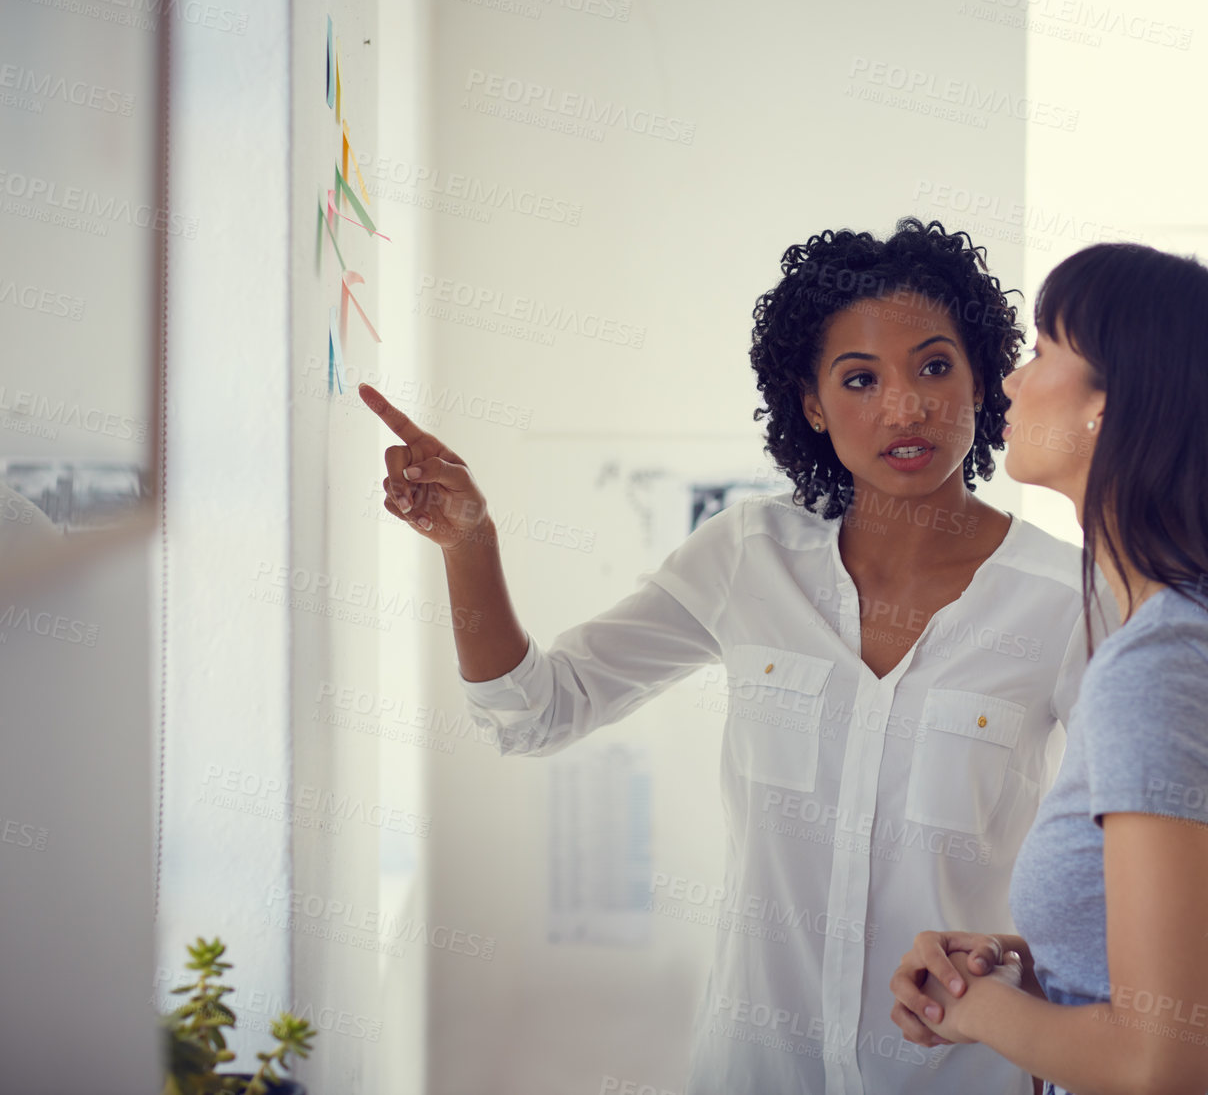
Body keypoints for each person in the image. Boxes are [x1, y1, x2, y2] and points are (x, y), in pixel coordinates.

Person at [362, 218, 1108, 1094]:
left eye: (935, 366)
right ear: (811, 404)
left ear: (983, 376)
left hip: (962, 1076)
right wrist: (468, 544)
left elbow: (1113, 881)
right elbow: (534, 712)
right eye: (860, 379)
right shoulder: (746, 557)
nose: (905, 407)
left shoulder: (1068, 601)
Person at [888, 242, 1208, 1095]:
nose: (1011, 384)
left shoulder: (1164, 664)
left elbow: (1157, 1065)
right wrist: (1018, 968)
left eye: (1041, 353)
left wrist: (970, 1009)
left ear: (1117, 405)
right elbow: (1177, 982)